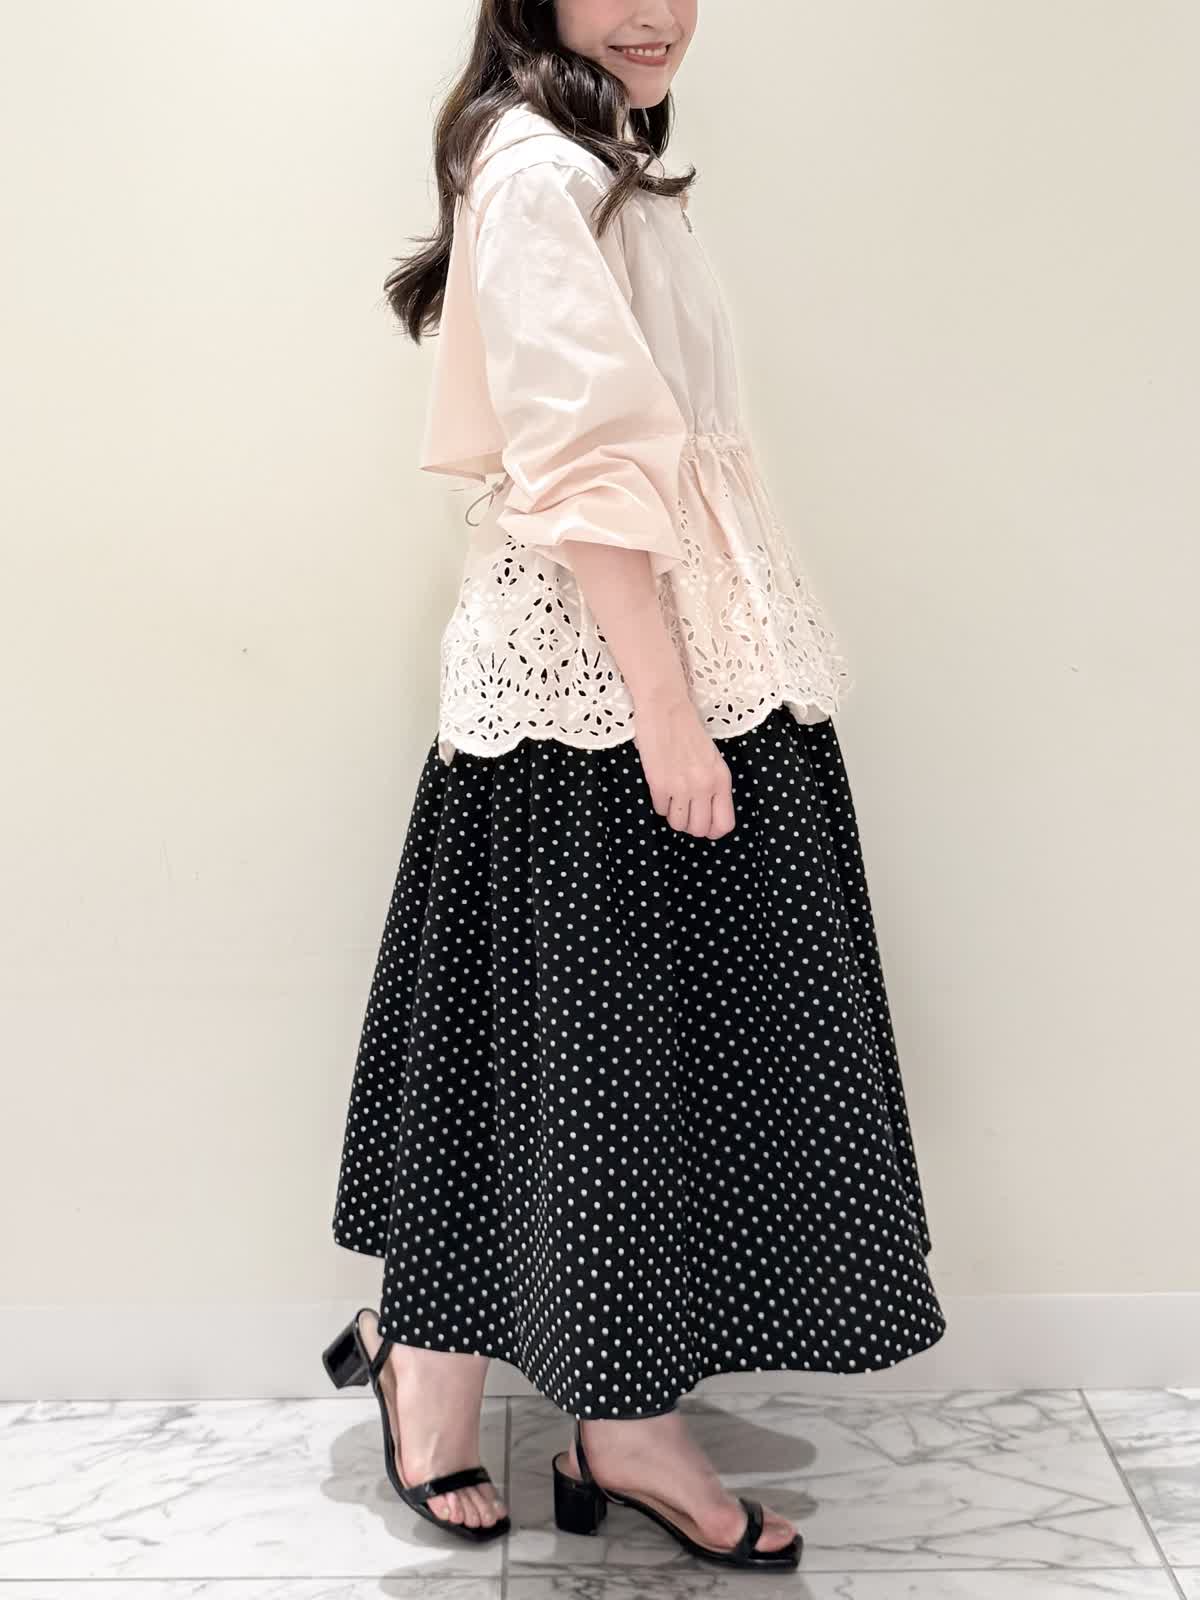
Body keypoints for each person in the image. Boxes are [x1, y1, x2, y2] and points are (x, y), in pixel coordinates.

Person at [325, 0, 947, 1573]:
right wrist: (670, 719)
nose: (659, 10)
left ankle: (546, 1393)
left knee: (589, 1055)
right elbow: (587, 464)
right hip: (610, 687)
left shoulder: (595, 158)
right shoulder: (541, 170)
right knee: (582, 1052)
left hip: (679, 657)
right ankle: (505, 1391)